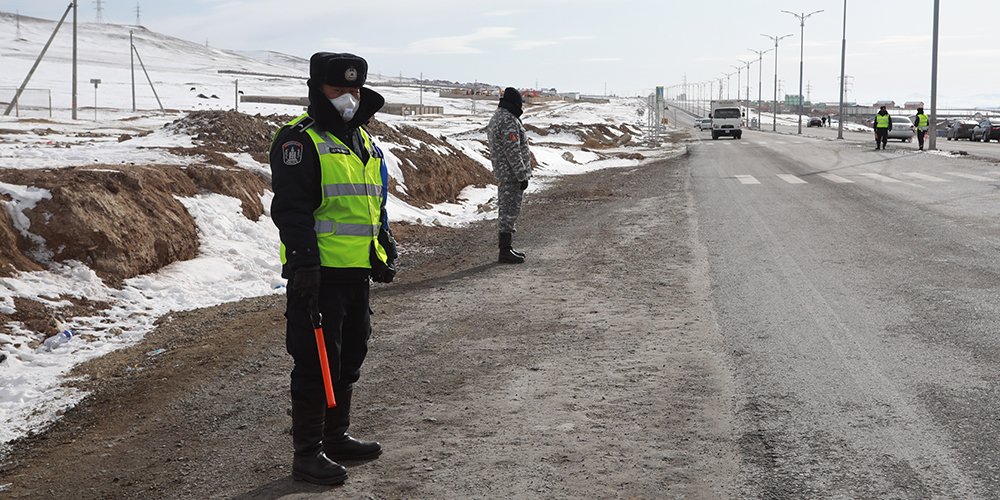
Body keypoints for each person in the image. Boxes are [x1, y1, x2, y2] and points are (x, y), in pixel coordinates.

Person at [269, 52, 397, 486]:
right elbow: (292, 209)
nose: (349, 96)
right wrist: (303, 264)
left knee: (349, 358)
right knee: (314, 363)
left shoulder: (364, 141)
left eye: (355, 88)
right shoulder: (299, 141)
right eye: (339, 89)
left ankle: (335, 435)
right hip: (317, 275)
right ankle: (307, 454)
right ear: (316, 88)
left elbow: (371, 203)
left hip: (354, 274)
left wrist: (383, 246)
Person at [486, 87, 532, 264]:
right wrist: (522, 175)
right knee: (509, 211)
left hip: (504, 172)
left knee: (507, 210)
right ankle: (504, 251)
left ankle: (507, 248)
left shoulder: (499, 117)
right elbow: (513, 151)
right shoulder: (508, 120)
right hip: (510, 174)